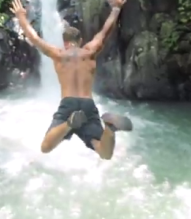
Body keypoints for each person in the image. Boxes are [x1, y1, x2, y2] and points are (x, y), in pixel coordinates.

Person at [11, 0, 134, 160]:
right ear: (80, 41)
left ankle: (69, 123)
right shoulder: (89, 51)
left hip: (68, 104)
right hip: (87, 103)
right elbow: (105, 32)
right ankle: (109, 129)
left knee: (46, 147)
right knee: (104, 153)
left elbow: (34, 38)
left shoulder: (58, 54)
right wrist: (116, 9)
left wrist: (21, 17)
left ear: (65, 42)